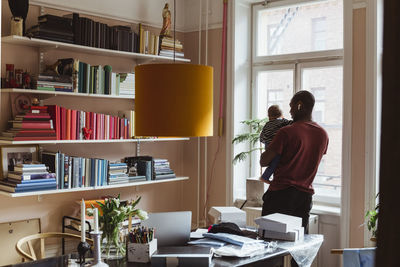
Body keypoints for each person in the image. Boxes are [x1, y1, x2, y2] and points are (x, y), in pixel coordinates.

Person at [259, 91, 329, 234]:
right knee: (299, 248)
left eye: (291, 106)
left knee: (270, 248)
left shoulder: (287, 132)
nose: (290, 111)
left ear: (299, 105)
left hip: (280, 195)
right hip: (304, 197)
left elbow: (264, 161)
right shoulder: (323, 134)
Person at [259, 105, 291, 181]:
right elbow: (293, 123)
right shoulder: (282, 121)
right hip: (275, 145)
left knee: (271, 161)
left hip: (267, 145)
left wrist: (265, 141)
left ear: (269, 115)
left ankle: (270, 176)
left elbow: (261, 136)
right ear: (280, 114)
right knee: (276, 161)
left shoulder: (267, 124)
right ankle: (265, 177)